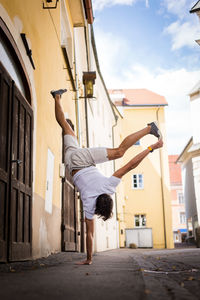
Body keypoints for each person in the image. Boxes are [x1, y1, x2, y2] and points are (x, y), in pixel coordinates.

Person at [51, 89, 163, 265]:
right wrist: (88, 259)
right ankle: (57, 97)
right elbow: (90, 234)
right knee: (65, 126)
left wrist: (151, 148)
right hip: (71, 164)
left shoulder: (109, 187)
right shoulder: (88, 204)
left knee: (119, 152)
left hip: (83, 161)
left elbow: (130, 164)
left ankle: (150, 128)